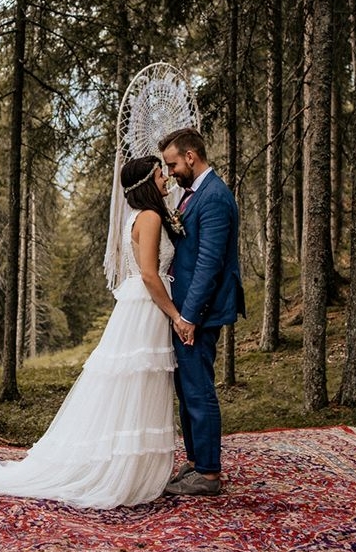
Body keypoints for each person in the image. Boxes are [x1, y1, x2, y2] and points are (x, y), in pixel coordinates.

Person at [0, 156, 184, 509]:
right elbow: (150, 275)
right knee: (139, 385)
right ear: (146, 184)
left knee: (135, 386)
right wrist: (176, 316)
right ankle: (125, 470)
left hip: (138, 307)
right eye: (159, 175)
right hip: (149, 306)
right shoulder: (151, 217)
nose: (165, 179)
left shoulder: (135, 217)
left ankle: (130, 465)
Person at [159, 127, 244, 497]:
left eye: (173, 164)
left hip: (200, 313)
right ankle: (195, 461)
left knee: (199, 389)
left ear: (190, 157)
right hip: (188, 310)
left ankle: (208, 474)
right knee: (187, 387)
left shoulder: (214, 197)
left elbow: (209, 263)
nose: (171, 172)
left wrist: (189, 317)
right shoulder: (194, 194)